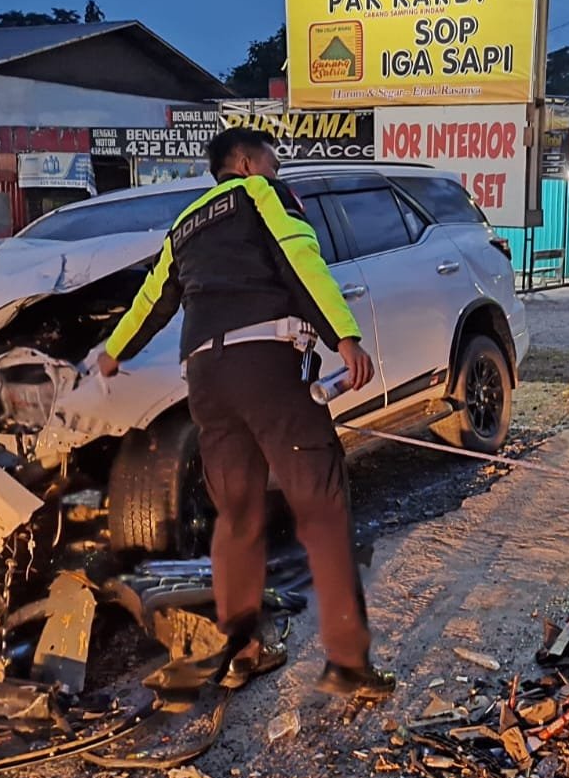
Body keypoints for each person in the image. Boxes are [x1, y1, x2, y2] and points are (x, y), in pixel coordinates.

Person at [96, 127, 395, 700]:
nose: (277, 170)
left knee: (236, 516)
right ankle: (348, 664)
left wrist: (114, 353)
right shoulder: (261, 194)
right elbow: (299, 259)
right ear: (244, 160)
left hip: (207, 382)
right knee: (322, 507)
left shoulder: (184, 225)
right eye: (272, 160)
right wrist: (346, 338)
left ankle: (242, 652)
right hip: (266, 368)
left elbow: (152, 300)